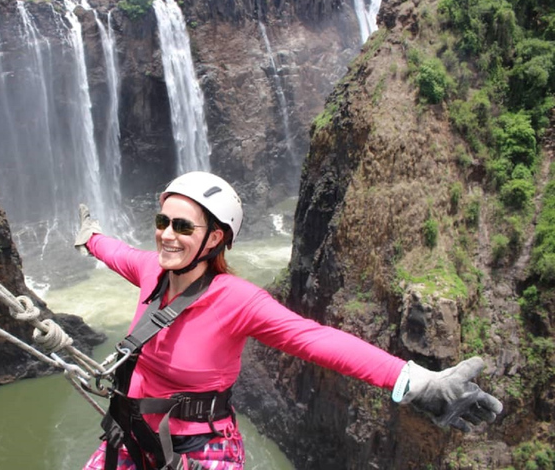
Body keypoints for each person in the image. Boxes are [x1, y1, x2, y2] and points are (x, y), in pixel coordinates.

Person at [74, 171, 503, 470]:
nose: (167, 234)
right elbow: (114, 251)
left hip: (200, 449)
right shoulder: (150, 269)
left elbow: (316, 340)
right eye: (162, 221)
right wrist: (90, 236)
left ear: (215, 237)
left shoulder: (238, 301)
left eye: (183, 226)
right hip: (130, 433)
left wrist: (417, 381)